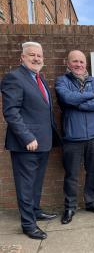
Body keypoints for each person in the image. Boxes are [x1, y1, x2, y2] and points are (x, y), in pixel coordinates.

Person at [1, 42, 60, 240]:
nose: (36, 58)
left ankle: (35, 211)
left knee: (36, 183)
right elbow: (11, 112)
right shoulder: (14, 78)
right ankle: (28, 224)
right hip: (26, 144)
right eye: (31, 55)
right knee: (25, 185)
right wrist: (27, 137)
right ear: (22, 58)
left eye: (39, 56)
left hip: (43, 142)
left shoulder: (39, 77)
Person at [55, 50, 94, 224]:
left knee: (93, 171)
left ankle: (91, 202)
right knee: (71, 175)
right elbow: (67, 98)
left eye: (81, 62)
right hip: (72, 137)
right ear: (68, 63)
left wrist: (79, 105)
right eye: (75, 61)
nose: (79, 65)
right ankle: (70, 207)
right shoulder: (62, 81)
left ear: (86, 64)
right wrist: (87, 96)